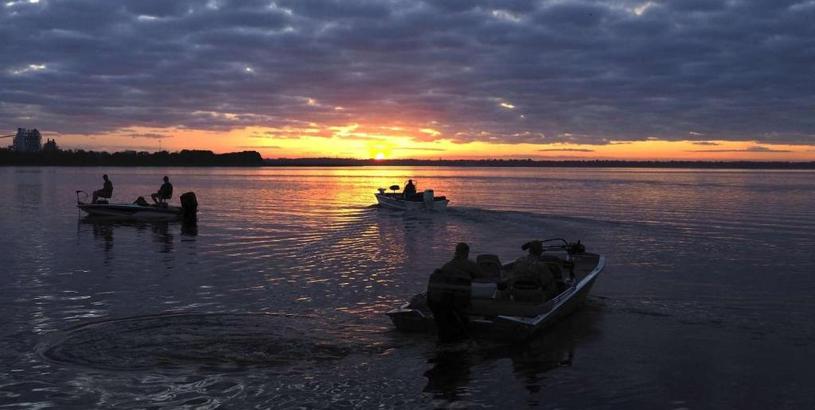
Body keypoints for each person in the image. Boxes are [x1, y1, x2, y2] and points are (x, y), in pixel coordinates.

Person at [427, 243, 483, 342]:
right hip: (456, 300)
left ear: (456, 252)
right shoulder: (469, 264)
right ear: (467, 252)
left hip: (439, 299)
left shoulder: (447, 265)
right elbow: (484, 277)